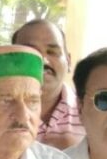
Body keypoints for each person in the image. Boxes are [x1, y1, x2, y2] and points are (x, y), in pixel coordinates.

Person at [12, 19, 85, 150]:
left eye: (52, 52)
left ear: (68, 61)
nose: (43, 61)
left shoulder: (91, 110)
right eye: (31, 52)